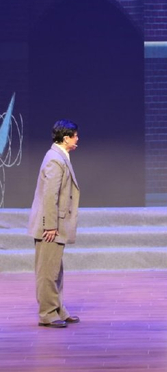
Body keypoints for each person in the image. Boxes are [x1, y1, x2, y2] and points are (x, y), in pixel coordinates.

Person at [27, 119, 81, 328]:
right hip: (49, 226)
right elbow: (50, 195)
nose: (77, 139)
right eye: (75, 136)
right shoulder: (54, 159)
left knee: (55, 270)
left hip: (55, 225)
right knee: (47, 272)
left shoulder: (60, 157)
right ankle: (47, 313)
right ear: (66, 138)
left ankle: (58, 309)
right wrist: (49, 225)